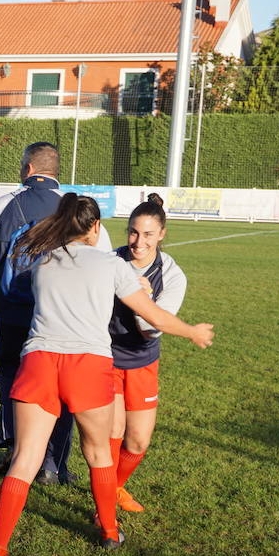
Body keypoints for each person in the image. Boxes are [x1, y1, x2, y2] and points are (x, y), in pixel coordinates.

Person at [0, 194, 213, 556]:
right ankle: (109, 531)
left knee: (24, 459)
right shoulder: (111, 265)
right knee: (99, 453)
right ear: (96, 227)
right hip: (88, 365)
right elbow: (154, 317)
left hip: (39, 362)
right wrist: (193, 332)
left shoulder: (42, 262)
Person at [0, 142, 110, 485]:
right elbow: (103, 261)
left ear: (28, 168)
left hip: (12, 314)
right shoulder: (74, 208)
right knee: (60, 390)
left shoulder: (1, 205)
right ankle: (52, 465)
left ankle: (16, 453)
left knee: (13, 381)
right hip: (62, 319)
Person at [107, 194, 187, 513]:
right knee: (113, 431)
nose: (139, 242)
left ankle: (113, 487)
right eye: (133, 232)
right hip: (106, 359)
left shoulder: (172, 275)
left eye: (148, 234)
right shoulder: (110, 263)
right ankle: (104, 506)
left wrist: (143, 299)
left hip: (143, 361)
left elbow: (150, 331)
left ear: (162, 234)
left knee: (138, 440)